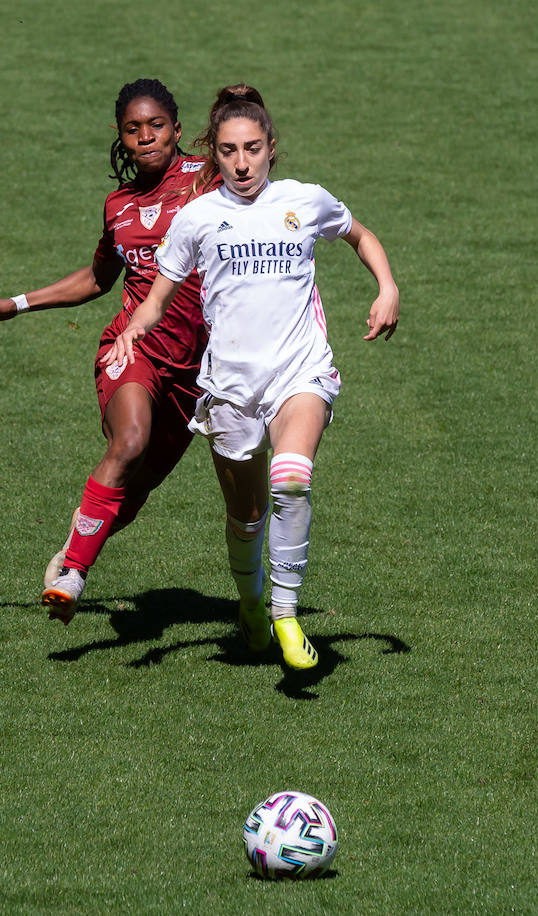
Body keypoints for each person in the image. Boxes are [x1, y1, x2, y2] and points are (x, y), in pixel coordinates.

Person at [103, 84, 399, 669]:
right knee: (246, 515)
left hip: (299, 371)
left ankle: (287, 615)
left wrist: (387, 287)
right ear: (214, 153)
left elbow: (359, 234)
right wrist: (131, 332)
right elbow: (157, 298)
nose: (242, 162)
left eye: (254, 148)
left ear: (271, 149)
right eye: (230, 150)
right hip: (231, 387)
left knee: (293, 477)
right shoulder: (197, 217)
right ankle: (252, 602)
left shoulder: (304, 200)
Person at [0, 79, 216, 624]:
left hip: (197, 373)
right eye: (134, 129)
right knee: (129, 441)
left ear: (177, 129)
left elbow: (253, 153)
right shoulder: (118, 205)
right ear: (120, 138)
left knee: (136, 488)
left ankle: (74, 546)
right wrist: (17, 303)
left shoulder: (208, 180)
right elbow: (98, 277)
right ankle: (75, 574)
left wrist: (245, 106)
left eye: (157, 125)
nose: (146, 137)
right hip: (133, 349)